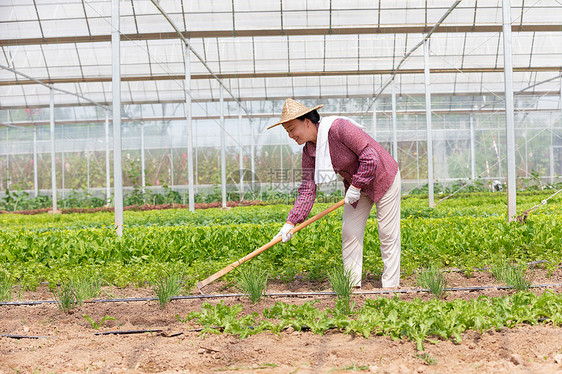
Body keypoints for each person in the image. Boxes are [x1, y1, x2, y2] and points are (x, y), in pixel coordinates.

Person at [269, 98, 401, 288]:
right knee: (350, 231)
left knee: (387, 233)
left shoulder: (340, 129)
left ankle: (390, 287)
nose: (290, 135)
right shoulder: (309, 151)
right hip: (358, 186)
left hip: (383, 177)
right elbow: (308, 188)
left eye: (291, 129)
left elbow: (370, 158)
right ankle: (351, 284)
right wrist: (290, 222)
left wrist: (355, 186)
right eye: (287, 131)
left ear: (307, 122)